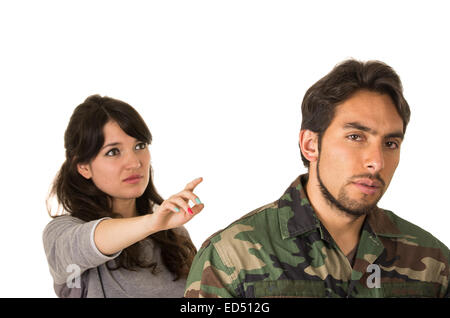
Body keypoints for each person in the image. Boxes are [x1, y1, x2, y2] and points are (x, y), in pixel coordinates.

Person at [184, 59, 449, 298]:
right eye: (356, 137)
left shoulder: (434, 264)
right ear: (311, 145)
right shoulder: (231, 258)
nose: (376, 161)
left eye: (390, 143)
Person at [43, 95, 204, 297]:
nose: (135, 162)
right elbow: (91, 241)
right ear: (83, 166)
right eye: (113, 152)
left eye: (139, 146)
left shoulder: (173, 234)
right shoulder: (60, 235)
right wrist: (153, 222)